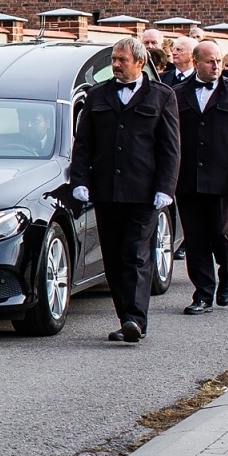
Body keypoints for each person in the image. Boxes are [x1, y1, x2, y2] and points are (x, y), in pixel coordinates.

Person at [70, 38, 179, 343]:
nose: (116, 65)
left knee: (135, 253)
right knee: (114, 258)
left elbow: (170, 148)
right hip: (106, 191)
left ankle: (135, 319)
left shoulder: (161, 96)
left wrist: (165, 188)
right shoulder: (97, 95)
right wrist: (80, 180)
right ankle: (126, 317)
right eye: (114, 59)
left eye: (122, 60)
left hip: (144, 192)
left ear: (140, 63)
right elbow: (85, 143)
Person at [175, 41, 228, 312]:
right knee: (195, 239)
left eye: (219, 60)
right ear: (195, 62)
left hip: (223, 181)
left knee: (222, 235)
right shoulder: (177, 94)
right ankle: (202, 293)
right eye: (210, 61)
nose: (216, 66)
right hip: (188, 181)